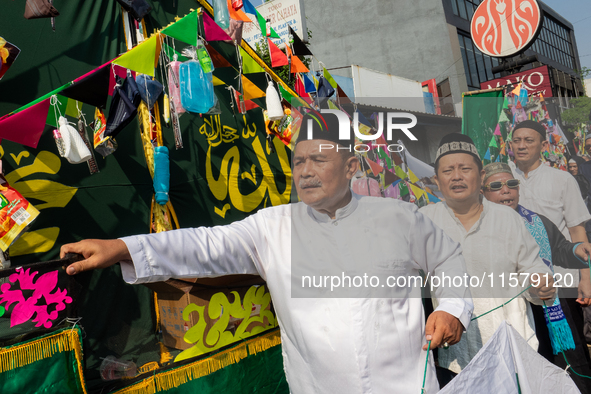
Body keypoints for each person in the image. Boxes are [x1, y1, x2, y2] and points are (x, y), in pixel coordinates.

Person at [61, 115, 473, 394]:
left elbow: (449, 259)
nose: (306, 170)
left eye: (320, 159)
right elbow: (204, 245)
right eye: (299, 161)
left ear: (350, 167)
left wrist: (452, 307)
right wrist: (124, 248)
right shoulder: (271, 227)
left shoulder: (399, 217)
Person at [420, 133, 555, 380]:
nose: (457, 176)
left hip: (515, 345)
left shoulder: (507, 217)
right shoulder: (425, 221)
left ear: (481, 176)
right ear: (437, 180)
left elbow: (533, 267)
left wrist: (540, 286)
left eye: (465, 168)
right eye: (448, 170)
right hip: (458, 356)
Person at [482, 162, 591, 393]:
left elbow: (560, 249)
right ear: (482, 193)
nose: (506, 190)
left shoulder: (537, 221)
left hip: (547, 307)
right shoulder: (476, 229)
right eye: (496, 186)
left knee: (564, 369)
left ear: (518, 189)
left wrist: (577, 251)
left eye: (512, 184)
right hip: (507, 314)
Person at [510, 120, 591, 372]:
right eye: (517, 141)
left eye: (529, 140)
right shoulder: (504, 180)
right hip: (522, 280)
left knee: (571, 352)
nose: (522, 146)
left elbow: (577, 230)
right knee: (536, 350)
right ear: (510, 145)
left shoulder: (563, 179)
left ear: (544, 144)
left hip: (563, 277)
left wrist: (586, 277)